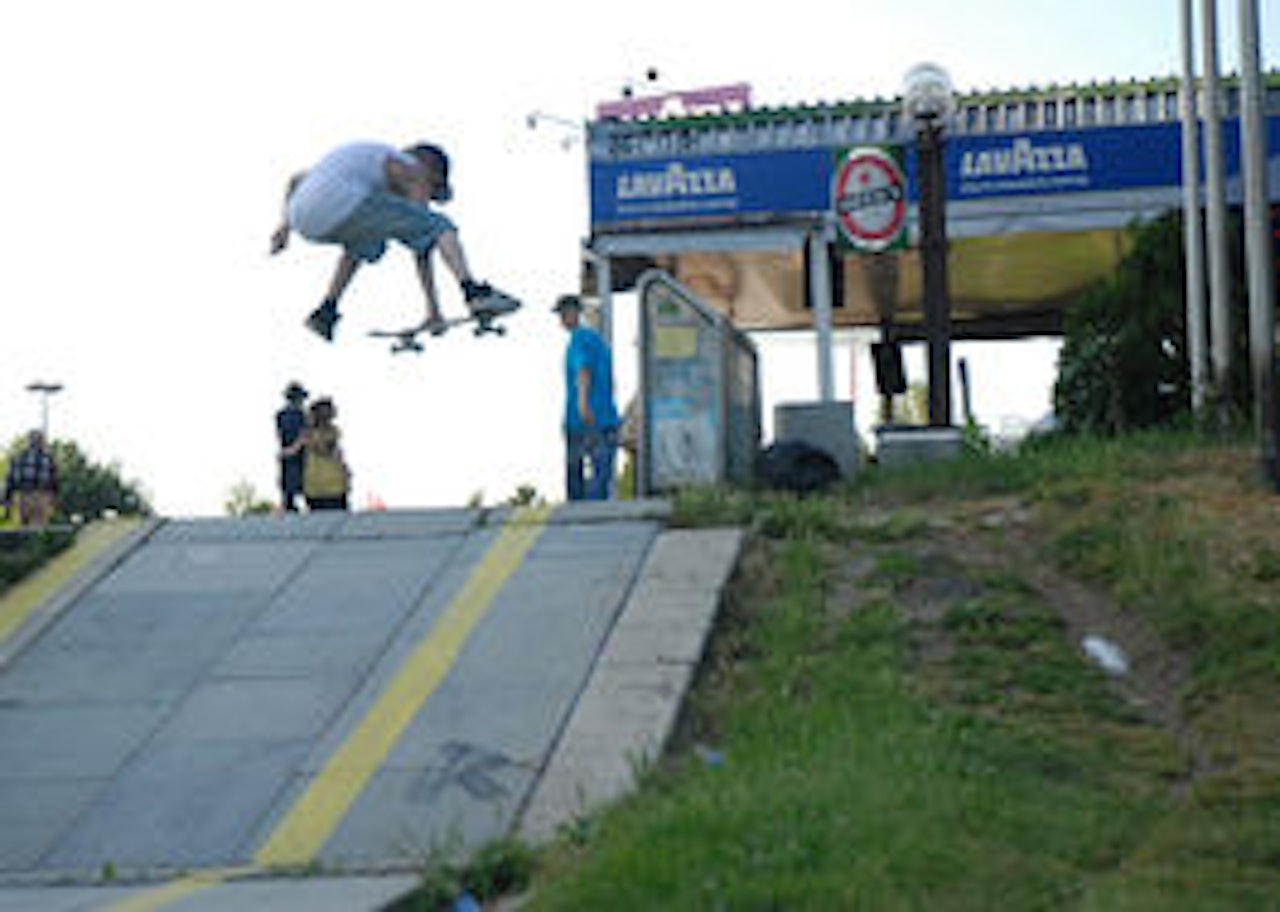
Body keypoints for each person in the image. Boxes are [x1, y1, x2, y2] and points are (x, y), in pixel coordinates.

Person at [270, 140, 517, 341]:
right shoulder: (414, 168)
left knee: (366, 240)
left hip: (305, 218)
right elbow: (424, 243)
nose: (429, 196)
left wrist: (284, 228)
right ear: (432, 171)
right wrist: (433, 308)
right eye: (433, 190)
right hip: (342, 203)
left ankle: (325, 311)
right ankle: (473, 292)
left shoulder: (365, 161)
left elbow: (295, 180)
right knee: (441, 225)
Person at [554, 295, 620, 501]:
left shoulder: (579, 338)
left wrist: (583, 404)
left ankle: (581, 520)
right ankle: (594, 513)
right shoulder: (597, 341)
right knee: (601, 473)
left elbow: (583, 370)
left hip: (583, 418)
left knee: (578, 479)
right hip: (605, 415)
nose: (562, 319)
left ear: (575, 313)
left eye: (564, 314)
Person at [301, 397, 350, 511]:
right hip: (317, 485)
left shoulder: (331, 431)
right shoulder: (309, 433)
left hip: (332, 484)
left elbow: (328, 450)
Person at [3, 430, 59, 526]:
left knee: (25, 525)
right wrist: (54, 498)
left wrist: (8, 500)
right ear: (42, 441)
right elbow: (53, 481)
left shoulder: (19, 457)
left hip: (24, 495)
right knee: (38, 527)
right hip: (42, 495)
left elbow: (10, 480)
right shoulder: (48, 459)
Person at [275, 381, 308, 512]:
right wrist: (295, 447)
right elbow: (304, 435)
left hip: (289, 454)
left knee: (289, 492)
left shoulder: (281, 415)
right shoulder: (301, 416)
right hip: (297, 456)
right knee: (295, 489)